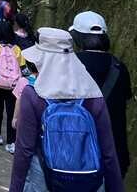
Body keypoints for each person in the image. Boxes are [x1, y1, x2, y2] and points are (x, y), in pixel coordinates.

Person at [10, 27, 124, 192]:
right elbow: (108, 154)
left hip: (43, 182)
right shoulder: (93, 95)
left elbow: (24, 150)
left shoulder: (33, 95)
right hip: (88, 183)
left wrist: (15, 188)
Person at [71, 11, 132, 180]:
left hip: (74, 151)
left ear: (77, 37)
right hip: (112, 152)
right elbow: (123, 100)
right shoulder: (120, 68)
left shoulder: (69, 64)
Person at [0, 20, 25, 153]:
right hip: (13, 85)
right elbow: (22, 67)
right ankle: (11, 142)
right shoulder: (16, 49)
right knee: (11, 112)